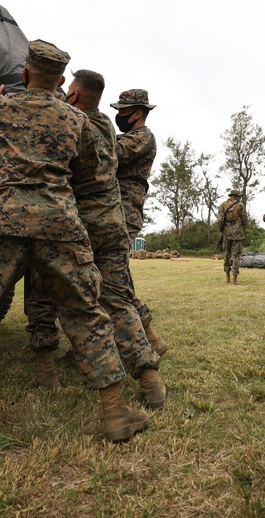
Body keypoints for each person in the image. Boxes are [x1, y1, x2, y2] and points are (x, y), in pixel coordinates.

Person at [0, 40, 148, 443]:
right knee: (85, 313)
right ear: (61, 81)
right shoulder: (77, 120)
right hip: (60, 225)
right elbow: (89, 173)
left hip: (3, 224)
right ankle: (115, 413)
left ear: (25, 73)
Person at [25, 69, 165, 410]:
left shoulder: (114, 133)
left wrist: (49, 96)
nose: (119, 114)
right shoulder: (99, 123)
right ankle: (150, 376)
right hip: (112, 222)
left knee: (48, 285)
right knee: (116, 297)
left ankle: (50, 361)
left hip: (87, 223)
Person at [111, 89, 167, 355]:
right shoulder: (128, 136)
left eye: (122, 111)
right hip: (114, 210)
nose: (117, 115)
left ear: (137, 113)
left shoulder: (143, 137)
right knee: (115, 277)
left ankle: (150, 339)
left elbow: (111, 154)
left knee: (116, 278)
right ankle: (151, 338)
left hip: (125, 212)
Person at [217, 189, 246, 284]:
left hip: (226, 233)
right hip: (237, 233)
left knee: (227, 254)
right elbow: (245, 219)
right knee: (236, 255)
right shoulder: (240, 205)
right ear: (237, 196)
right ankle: (235, 278)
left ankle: (227, 277)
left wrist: (222, 230)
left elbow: (220, 220)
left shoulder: (223, 205)